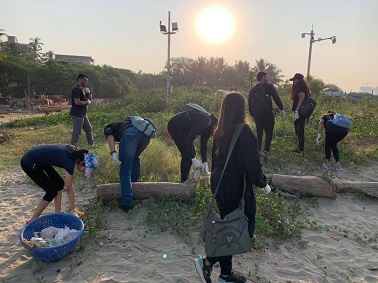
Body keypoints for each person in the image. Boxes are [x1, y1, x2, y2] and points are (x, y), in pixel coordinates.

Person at [194, 92, 270, 283]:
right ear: (241, 108)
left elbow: (217, 159)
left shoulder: (220, 129)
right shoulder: (243, 130)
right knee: (243, 226)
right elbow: (251, 163)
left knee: (229, 225)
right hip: (233, 182)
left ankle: (225, 275)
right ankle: (208, 262)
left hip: (219, 181)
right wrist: (263, 183)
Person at [21, 144, 98, 223]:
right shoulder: (69, 161)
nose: (84, 172)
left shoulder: (73, 152)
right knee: (51, 192)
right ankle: (32, 220)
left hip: (39, 158)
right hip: (29, 162)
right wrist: (74, 211)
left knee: (59, 183)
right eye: (85, 170)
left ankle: (57, 214)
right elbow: (69, 188)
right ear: (82, 162)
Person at [104, 116, 156, 212]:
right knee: (135, 158)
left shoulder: (109, 127)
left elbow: (109, 134)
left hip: (130, 135)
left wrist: (113, 152)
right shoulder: (130, 122)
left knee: (125, 169)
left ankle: (127, 203)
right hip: (145, 137)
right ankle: (134, 186)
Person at [167, 105, 218, 183]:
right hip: (175, 125)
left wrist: (205, 163)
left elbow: (204, 145)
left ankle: (185, 180)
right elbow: (188, 140)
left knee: (191, 153)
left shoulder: (209, 127)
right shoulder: (205, 121)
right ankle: (183, 182)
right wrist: (195, 160)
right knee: (187, 154)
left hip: (183, 128)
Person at [248, 71, 286, 162]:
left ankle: (258, 151)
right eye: (266, 76)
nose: (267, 78)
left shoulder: (253, 89)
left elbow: (249, 103)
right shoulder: (269, 87)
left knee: (259, 133)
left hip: (257, 115)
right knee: (269, 132)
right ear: (262, 77)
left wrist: (252, 114)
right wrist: (282, 109)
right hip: (267, 114)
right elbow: (276, 97)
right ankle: (266, 151)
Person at [289, 73, 311, 156]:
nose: (294, 82)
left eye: (295, 80)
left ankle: (301, 150)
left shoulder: (301, 87)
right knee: (298, 131)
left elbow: (301, 98)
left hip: (300, 113)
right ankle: (299, 148)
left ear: (298, 80)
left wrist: (297, 111)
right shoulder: (299, 87)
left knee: (299, 130)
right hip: (298, 112)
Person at [69, 74, 94, 146]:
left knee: (89, 129)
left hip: (83, 114)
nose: (86, 82)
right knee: (77, 132)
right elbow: (77, 102)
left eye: (87, 81)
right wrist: (87, 102)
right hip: (78, 114)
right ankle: (73, 147)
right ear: (80, 79)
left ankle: (91, 145)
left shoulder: (83, 89)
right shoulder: (76, 89)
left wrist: (89, 92)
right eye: (85, 80)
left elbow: (89, 99)